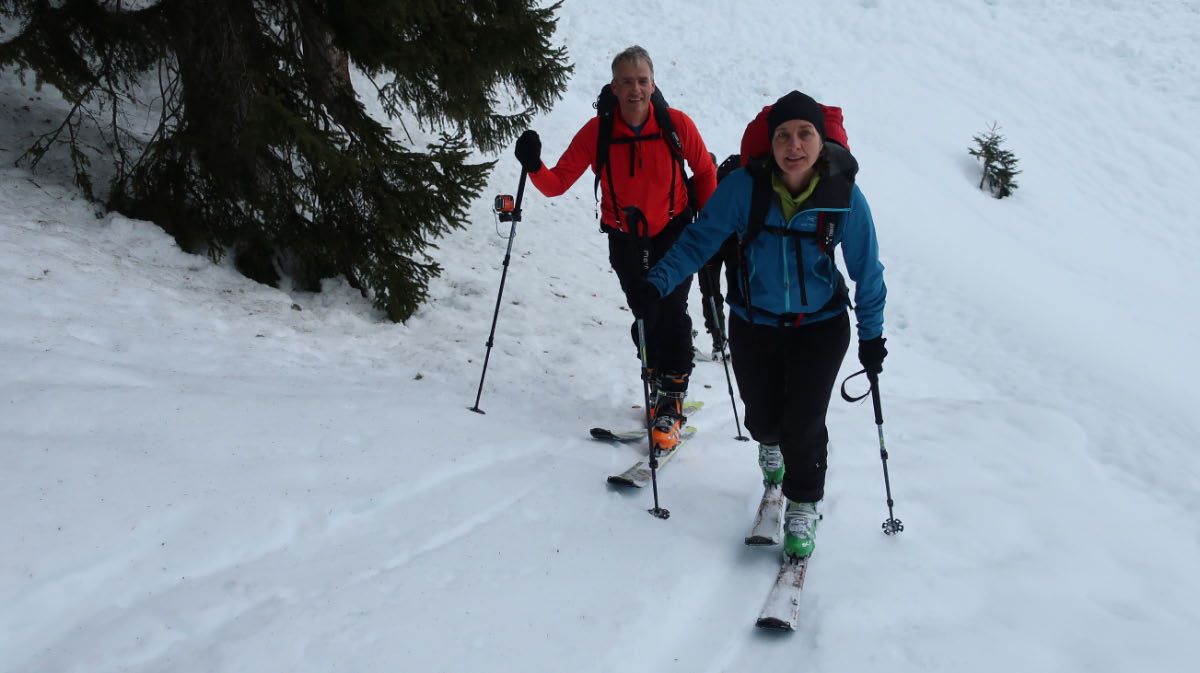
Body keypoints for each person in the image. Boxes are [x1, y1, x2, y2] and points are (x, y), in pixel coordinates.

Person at [627, 91, 888, 560]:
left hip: (821, 325)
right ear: (770, 143)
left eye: (804, 133)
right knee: (763, 419)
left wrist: (872, 339)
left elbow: (867, 272)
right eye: (783, 135)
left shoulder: (844, 195)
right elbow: (697, 242)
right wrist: (657, 283)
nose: (794, 145)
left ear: (820, 139)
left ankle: (803, 504)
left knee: (803, 424)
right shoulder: (744, 189)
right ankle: (770, 448)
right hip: (754, 322)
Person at [513, 46, 717, 454]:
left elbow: (705, 171)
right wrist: (533, 164)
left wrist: (708, 231)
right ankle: (659, 378)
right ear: (614, 86)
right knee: (645, 314)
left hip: (674, 234)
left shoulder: (676, 124)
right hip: (625, 240)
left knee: (671, 310)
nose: (635, 89)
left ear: (653, 84)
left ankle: (671, 400)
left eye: (642, 81)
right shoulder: (598, 131)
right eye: (626, 81)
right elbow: (556, 183)